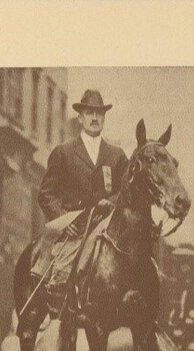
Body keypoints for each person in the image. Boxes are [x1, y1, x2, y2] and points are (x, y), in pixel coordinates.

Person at [37, 89, 129, 312]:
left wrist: (113, 201)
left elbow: (126, 191)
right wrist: (62, 221)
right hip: (74, 229)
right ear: (80, 118)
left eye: (99, 114)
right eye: (89, 113)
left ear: (104, 118)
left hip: (107, 227)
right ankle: (55, 315)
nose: (95, 118)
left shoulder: (117, 156)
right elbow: (46, 193)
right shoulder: (64, 152)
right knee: (59, 273)